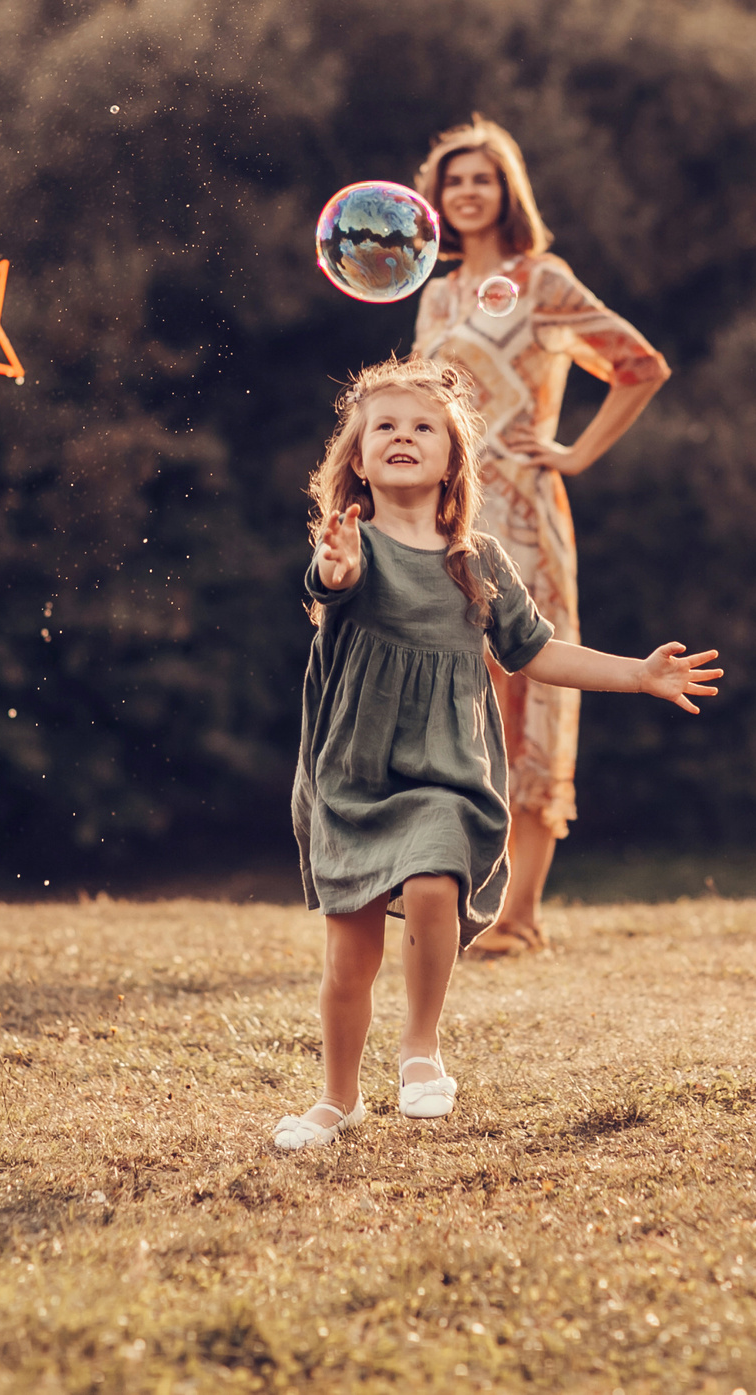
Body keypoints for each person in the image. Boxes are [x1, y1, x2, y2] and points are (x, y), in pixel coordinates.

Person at [276, 357, 718, 1150]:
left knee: (437, 876)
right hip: (354, 775)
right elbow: (326, 581)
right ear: (357, 458)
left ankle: (421, 1049)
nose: (404, 436)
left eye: (424, 428)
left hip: (447, 770)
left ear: (452, 462)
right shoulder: (351, 546)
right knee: (349, 961)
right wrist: (333, 567)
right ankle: (339, 1097)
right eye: (386, 426)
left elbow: (538, 652)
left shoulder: (476, 561)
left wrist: (638, 675)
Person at [410, 117, 671, 959]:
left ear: (507, 190)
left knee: (530, 694)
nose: (466, 192)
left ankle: (521, 913)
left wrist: (575, 452)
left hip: (524, 512)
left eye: (482, 178)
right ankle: (458, 899)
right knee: (454, 697)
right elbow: (418, 408)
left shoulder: (542, 281)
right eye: (454, 180)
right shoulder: (438, 294)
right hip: (449, 519)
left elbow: (641, 365)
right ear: (439, 197)